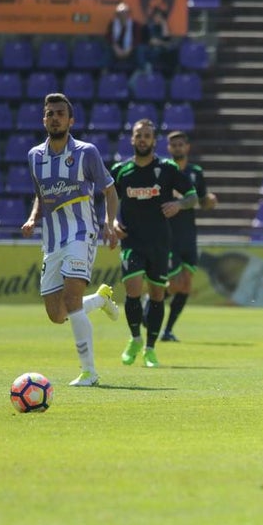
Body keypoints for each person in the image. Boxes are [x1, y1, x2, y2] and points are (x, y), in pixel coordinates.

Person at [20, 93, 121, 387]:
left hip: (81, 233)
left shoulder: (86, 153)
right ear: (44, 119)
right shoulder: (34, 157)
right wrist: (32, 217)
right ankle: (100, 300)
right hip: (52, 240)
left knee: (72, 299)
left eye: (60, 113)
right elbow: (42, 196)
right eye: (49, 113)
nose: (54, 118)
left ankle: (89, 371)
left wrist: (109, 222)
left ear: (70, 120)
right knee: (57, 314)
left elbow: (110, 190)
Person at [111, 119, 197, 367]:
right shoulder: (120, 171)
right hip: (131, 242)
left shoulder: (167, 168)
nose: (143, 139)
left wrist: (178, 204)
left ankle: (150, 348)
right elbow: (108, 199)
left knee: (158, 294)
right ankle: (135, 338)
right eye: (139, 135)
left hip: (160, 243)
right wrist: (112, 223)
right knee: (133, 289)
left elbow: (192, 196)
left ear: (153, 141)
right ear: (132, 139)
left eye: (147, 135)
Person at [160, 130, 218, 343]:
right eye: (173, 145)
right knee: (174, 284)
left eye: (180, 145)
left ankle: (168, 330)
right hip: (167, 234)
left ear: (187, 147)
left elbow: (201, 200)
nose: (177, 148)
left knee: (186, 285)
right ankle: (153, 301)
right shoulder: (163, 170)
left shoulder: (195, 172)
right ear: (168, 148)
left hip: (188, 235)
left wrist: (209, 201)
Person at [106, 2, 138, 72]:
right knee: (107, 51)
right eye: (121, 13)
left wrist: (129, 49)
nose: (123, 15)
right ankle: (105, 73)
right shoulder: (112, 24)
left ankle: (138, 74)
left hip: (129, 50)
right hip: (116, 50)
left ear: (128, 14)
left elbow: (137, 39)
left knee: (139, 51)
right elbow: (109, 38)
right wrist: (116, 48)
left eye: (125, 13)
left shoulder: (134, 24)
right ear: (117, 15)